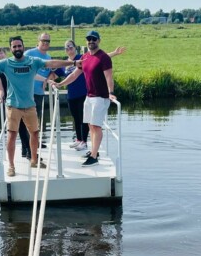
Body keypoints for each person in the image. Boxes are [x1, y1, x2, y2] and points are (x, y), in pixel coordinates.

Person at [0, 36, 77, 176]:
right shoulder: (6, 63)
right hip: (13, 106)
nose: (17, 49)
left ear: (23, 47)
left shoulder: (33, 62)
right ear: (11, 49)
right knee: (12, 136)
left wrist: (74, 62)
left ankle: (34, 160)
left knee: (34, 133)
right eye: (14, 46)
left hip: (30, 105)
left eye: (19, 46)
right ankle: (11, 166)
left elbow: (51, 63)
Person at [52, 30, 117, 167]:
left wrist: (111, 92)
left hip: (101, 97)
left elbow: (109, 77)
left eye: (94, 39)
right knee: (89, 124)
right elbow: (74, 75)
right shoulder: (85, 57)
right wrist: (60, 84)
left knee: (95, 126)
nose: (91, 41)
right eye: (89, 39)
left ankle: (94, 157)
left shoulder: (103, 57)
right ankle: (94, 151)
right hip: (89, 96)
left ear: (99, 40)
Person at [61, 40, 126, 152]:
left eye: (70, 47)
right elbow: (58, 72)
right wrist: (52, 81)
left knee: (85, 119)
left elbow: (98, 59)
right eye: (66, 48)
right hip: (71, 94)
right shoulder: (66, 63)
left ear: (75, 48)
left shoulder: (82, 57)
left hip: (84, 93)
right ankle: (78, 139)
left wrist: (114, 53)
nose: (69, 49)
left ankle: (84, 142)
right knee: (76, 118)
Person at [0, 46, 30, 160]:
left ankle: (26, 149)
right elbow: (1, 88)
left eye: (1, 53)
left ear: (6, 54)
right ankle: (28, 150)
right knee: (20, 126)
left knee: (25, 125)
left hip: (22, 98)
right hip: (11, 101)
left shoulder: (13, 65)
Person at [24, 32, 54, 143]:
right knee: (28, 120)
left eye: (48, 41)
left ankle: (36, 142)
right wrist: (44, 79)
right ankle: (28, 145)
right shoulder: (29, 53)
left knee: (37, 120)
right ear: (38, 41)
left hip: (40, 93)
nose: (45, 43)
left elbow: (50, 73)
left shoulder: (48, 57)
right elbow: (25, 70)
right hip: (28, 92)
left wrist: (49, 79)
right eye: (43, 40)